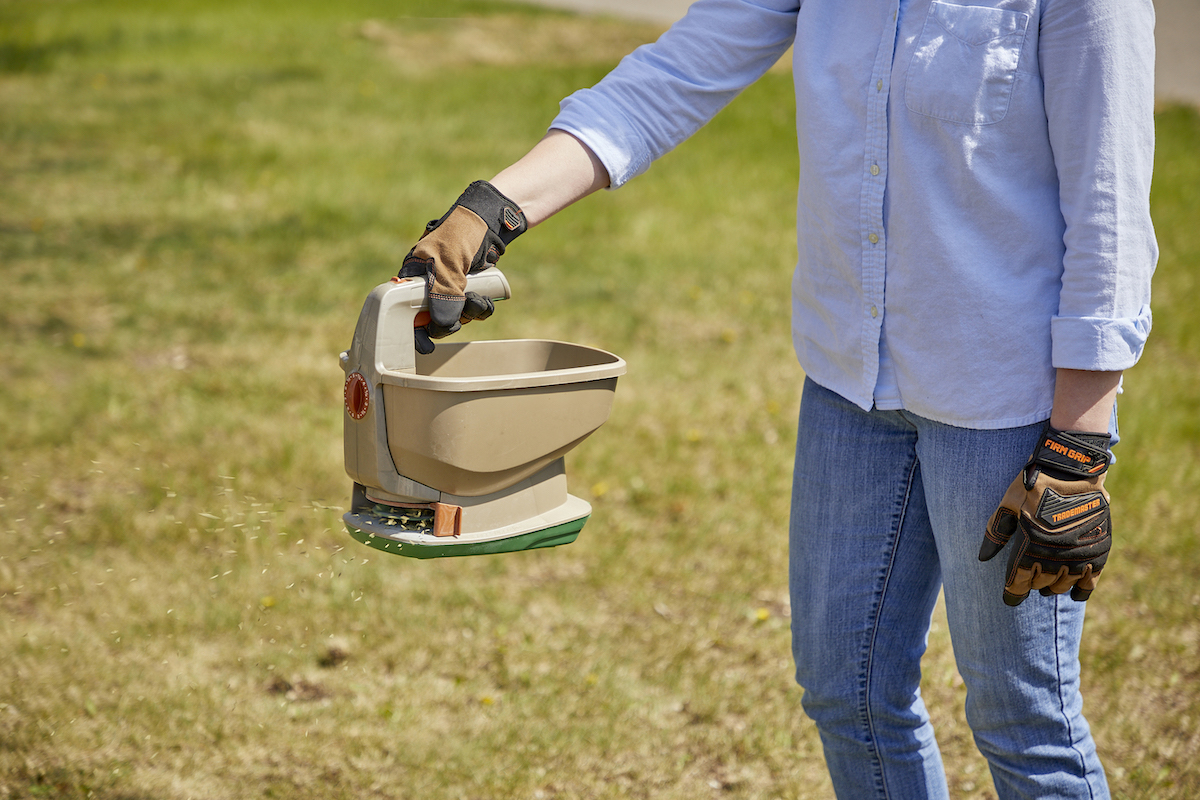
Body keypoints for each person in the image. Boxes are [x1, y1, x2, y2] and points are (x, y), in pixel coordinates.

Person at [397, 1, 1157, 797]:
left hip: (1003, 406)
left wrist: (1078, 447)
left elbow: (1108, 211)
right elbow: (671, 77)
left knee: (1022, 723)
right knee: (848, 697)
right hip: (848, 386)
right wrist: (493, 209)